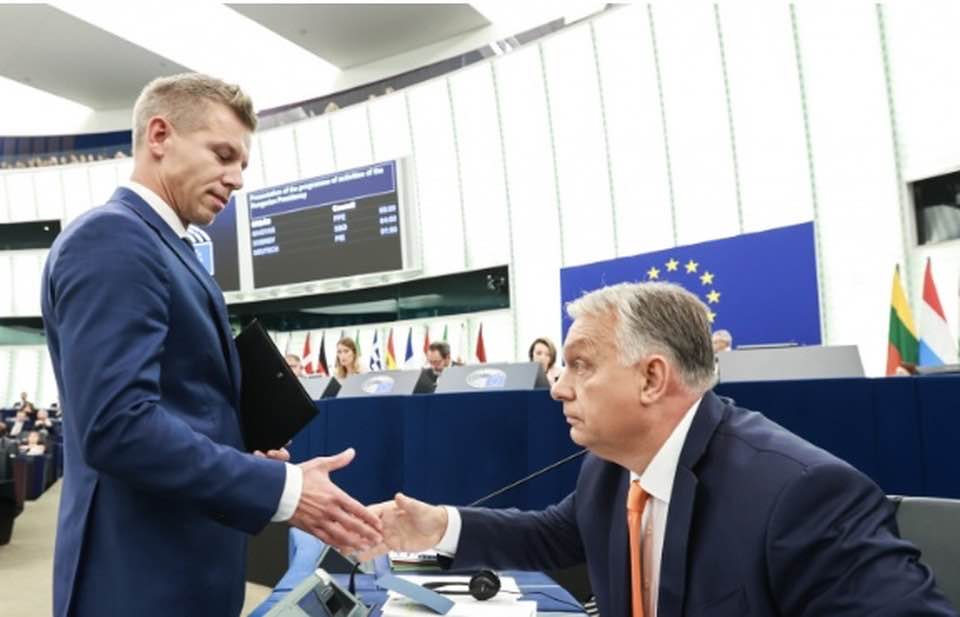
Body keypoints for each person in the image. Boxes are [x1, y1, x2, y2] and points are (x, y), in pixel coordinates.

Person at [364, 282, 956, 616]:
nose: (558, 387)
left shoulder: (802, 494)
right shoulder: (611, 469)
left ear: (651, 378)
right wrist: (437, 526)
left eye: (580, 365)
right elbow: (554, 534)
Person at [41, 73, 382, 617]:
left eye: (242, 164)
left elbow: (176, 406)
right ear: (159, 135)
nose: (237, 179)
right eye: (223, 155)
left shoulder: (163, 246)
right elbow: (117, 426)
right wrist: (283, 488)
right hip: (139, 579)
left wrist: (238, 449)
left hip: (181, 566)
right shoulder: (114, 238)